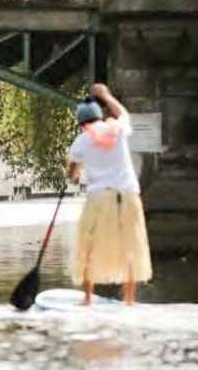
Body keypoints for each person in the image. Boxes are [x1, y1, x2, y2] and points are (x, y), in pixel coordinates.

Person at [67, 83, 152, 306]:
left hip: (100, 198)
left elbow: (73, 173)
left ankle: (87, 300)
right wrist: (106, 95)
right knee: (130, 246)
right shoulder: (118, 130)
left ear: (81, 123)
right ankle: (130, 300)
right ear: (100, 117)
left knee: (88, 246)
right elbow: (124, 113)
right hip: (128, 195)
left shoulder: (82, 141)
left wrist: (74, 174)